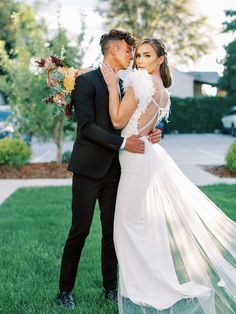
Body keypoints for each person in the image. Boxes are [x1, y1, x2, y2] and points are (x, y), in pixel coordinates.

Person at [101, 38, 236, 313]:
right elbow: (148, 123)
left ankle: (140, 288)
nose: (139, 61)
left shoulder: (139, 82)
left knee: (126, 227)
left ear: (161, 59)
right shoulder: (163, 89)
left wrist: (113, 87)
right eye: (138, 55)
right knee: (140, 225)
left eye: (147, 55)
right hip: (146, 154)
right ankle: (144, 282)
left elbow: (117, 121)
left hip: (134, 158)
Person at [57, 30, 162, 310]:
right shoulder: (86, 81)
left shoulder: (128, 83)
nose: (132, 57)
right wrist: (123, 143)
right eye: (129, 51)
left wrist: (155, 130)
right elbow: (87, 126)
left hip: (116, 171)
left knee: (111, 233)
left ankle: (110, 288)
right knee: (79, 231)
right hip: (88, 169)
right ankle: (64, 290)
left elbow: (142, 111)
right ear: (114, 50)